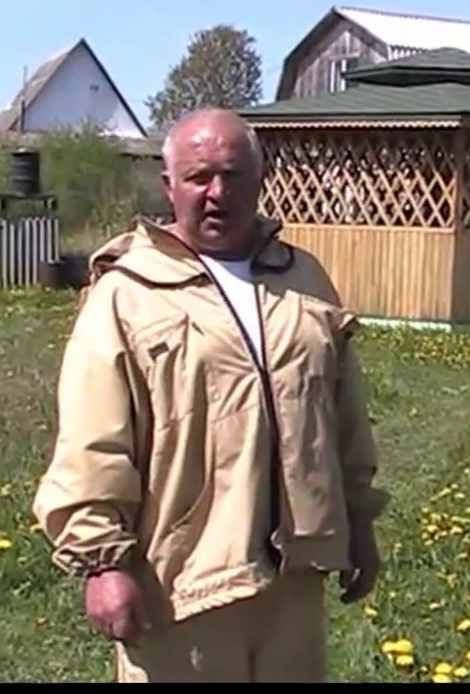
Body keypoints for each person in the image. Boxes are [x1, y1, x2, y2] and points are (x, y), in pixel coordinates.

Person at [31, 108, 388, 683]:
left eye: (233, 175)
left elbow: (343, 418)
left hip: (294, 581)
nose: (217, 193)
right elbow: (92, 441)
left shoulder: (304, 280)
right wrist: (102, 563)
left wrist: (358, 524)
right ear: (168, 185)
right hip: (181, 587)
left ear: (260, 180)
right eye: (198, 177)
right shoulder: (127, 294)